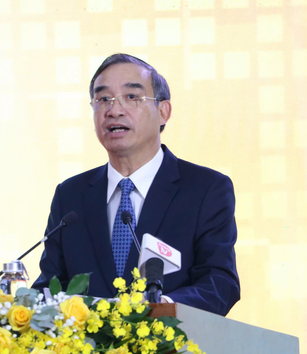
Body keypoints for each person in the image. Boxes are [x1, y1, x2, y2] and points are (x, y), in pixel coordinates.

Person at [33, 53, 240, 316]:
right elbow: (49, 287)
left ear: (163, 112)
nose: (114, 110)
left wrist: (159, 309)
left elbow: (219, 284)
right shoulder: (71, 195)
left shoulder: (205, 189)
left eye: (132, 97)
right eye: (103, 99)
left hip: (169, 351)